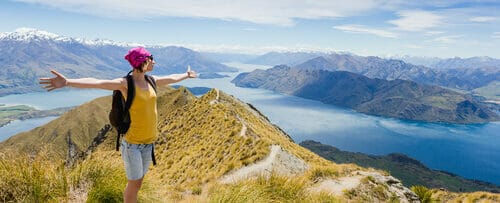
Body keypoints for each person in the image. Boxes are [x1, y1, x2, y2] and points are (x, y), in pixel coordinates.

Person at [39, 47, 197, 203]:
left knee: (138, 183)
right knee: (134, 184)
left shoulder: (151, 81)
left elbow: (172, 78)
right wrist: (67, 82)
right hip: (133, 145)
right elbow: (97, 82)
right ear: (142, 61)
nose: (154, 62)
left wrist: (186, 75)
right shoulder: (125, 84)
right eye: (151, 58)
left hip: (149, 144)